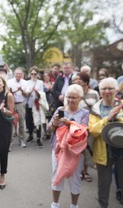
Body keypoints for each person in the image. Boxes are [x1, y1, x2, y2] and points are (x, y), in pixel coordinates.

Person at [48, 84, 89, 208]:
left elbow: (83, 132)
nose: (70, 100)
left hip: (75, 151)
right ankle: (55, 203)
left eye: (74, 97)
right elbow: (49, 129)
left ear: (80, 98)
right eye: (68, 97)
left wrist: (69, 124)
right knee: (57, 174)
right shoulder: (60, 110)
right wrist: (54, 124)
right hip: (59, 149)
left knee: (75, 178)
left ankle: (74, 205)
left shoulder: (84, 112)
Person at [89, 77, 123, 207]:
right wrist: (107, 119)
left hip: (121, 150)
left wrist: (119, 119)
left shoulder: (122, 105)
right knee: (104, 184)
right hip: (104, 152)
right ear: (100, 90)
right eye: (104, 88)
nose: (107, 91)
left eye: (110, 88)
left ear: (116, 90)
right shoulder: (95, 108)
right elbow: (93, 130)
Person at [74, 72, 100, 183]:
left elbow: (98, 108)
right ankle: (79, 171)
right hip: (78, 126)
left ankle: (85, 172)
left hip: (91, 126)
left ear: (86, 81)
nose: (77, 81)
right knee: (79, 150)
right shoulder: (74, 93)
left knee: (88, 149)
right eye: (76, 79)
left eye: (80, 79)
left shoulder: (94, 93)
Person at [7, 67, 28, 148]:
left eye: (20, 74)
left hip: (21, 103)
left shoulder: (25, 82)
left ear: (22, 75)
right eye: (17, 73)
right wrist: (14, 91)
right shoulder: (9, 82)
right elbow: (7, 93)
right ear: (14, 74)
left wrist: (21, 90)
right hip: (11, 103)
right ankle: (10, 141)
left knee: (22, 122)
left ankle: (22, 140)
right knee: (10, 122)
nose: (18, 75)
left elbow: (26, 94)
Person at [25, 66, 44, 147]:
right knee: (29, 120)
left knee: (37, 120)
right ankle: (30, 135)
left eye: (35, 74)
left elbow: (42, 94)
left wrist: (36, 92)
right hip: (29, 103)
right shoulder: (27, 82)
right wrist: (28, 92)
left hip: (37, 103)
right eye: (32, 74)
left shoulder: (40, 82)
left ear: (37, 74)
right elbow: (25, 93)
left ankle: (39, 138)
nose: (33, 75)